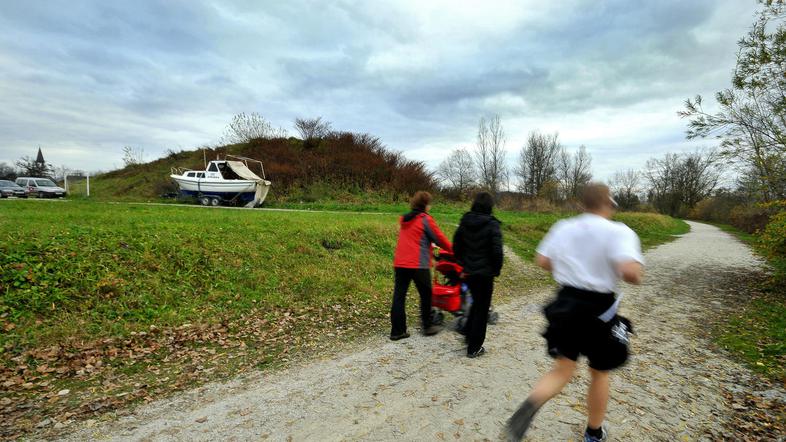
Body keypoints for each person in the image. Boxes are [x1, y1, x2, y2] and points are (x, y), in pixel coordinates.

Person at [505, 183, 644, 442]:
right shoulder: (619, 232)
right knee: (599, 371)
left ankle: (531, 405)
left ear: (583, 204)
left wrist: (572, 265)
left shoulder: (563, 227)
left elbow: (542, 261)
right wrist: (631, 270)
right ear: (608, 204)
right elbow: (631, 272)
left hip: (565, 303)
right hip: (599, 308)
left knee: (563, 367)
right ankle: (593, 432)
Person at [390, 191, 452, 340]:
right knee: (426, 294)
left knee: (399, 296)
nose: (430, 207)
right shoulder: (425, 219)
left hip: (400, 263)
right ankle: (427, 326)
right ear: (425, 205)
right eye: (429, 204)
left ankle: (397, 331)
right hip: (418, 263)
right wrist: (454, 251)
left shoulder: (405, 219)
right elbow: (439, 239)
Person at [452, 191, 504, 358]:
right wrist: (496, 269)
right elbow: (497, 251)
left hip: (469, 272)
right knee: (482, 308)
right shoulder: (492, 225)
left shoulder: (465, 222)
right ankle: (474, 347)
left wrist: (462, 262)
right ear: (490, 206)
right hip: (485, 274)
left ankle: (468, 334)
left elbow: (456, 246)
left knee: (476, 303)